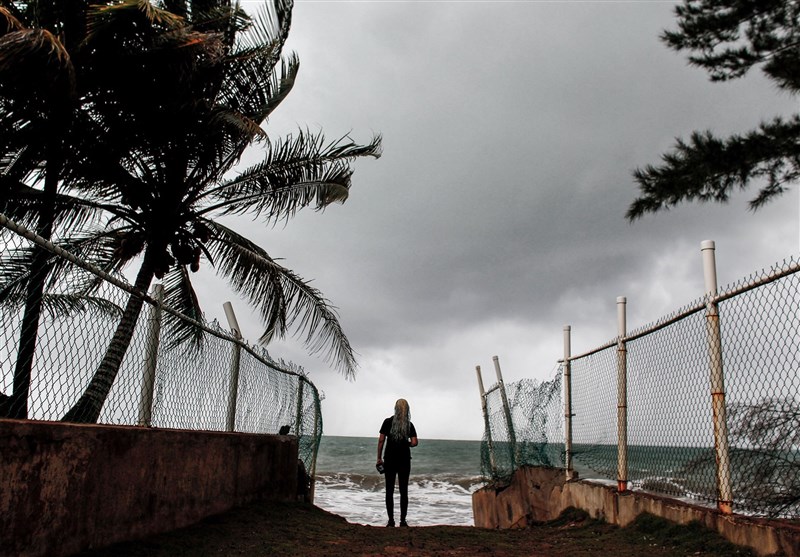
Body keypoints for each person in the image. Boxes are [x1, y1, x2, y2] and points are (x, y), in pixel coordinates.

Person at [376, 398, 418, 527]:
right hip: (405, 460)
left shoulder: (387, 422)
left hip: (390, 459)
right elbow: (415, 442)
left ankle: (391, 521)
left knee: (389, 490)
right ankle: (403, 521)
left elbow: (381, 441)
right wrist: (406, 444)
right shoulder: (409, 424)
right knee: (403, 491)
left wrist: (379, 458)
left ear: (396, 408)